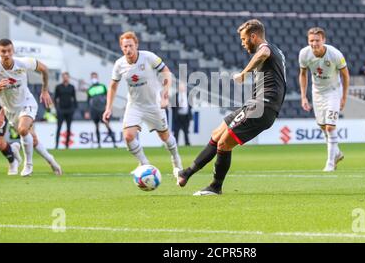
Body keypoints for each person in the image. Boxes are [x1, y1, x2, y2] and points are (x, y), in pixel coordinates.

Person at [177, 19, 287, 195]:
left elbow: (263, 53)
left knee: (224, 144)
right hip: (254, 105)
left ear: (254, 36)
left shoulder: (265, 48)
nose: (243, 44)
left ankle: (215, 187)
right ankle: (187, 173)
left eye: (244, 39)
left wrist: (244, 74)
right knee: (217, 134)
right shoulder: (277, 50)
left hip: (262, 107)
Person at [103, 31, 183, 176]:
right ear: (121, 48)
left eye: (131, 46)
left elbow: (166, 72)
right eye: (125, 46)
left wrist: (165, 93)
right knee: (128, 136)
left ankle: (176, 160)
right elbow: (113, 86)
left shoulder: (148, 57)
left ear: (136, 45)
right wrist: (108, 108)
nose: (128, 49)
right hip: (135, 105)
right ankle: (145, 164)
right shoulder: (119, 64)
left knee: (164, 137)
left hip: (154, 104)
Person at [0, 39, 62, 176]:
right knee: (33, 139)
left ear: (13, 50)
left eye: (9, 50)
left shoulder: (24, 62)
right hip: (10, 110)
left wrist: (44, 90)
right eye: (3, 51)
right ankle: (51, 161)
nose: (6, 54)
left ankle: (28, 165)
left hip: (27, 103)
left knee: (22, 129)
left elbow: (44, 69)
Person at [299, 27, 350, 172]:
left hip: (333, 91)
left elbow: (345, 75)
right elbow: (303, 74)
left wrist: (344, 97)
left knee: (330, 126)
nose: (314, 43)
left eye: (317, 40)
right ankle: (337, 153)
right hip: (317, 92)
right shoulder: (304, 53)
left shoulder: (335, 54)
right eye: (311, 40)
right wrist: (303, 96)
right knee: (322, 127)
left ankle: (330, 163)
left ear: (323, 40)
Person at [85, 72, 117, 148]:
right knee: (96, 126)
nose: (94, 79)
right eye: (92, 77)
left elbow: (108, 97)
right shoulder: (90, 89)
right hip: (94, 110)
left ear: (97, 77)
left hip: (102, 109)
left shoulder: (102, 86)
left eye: (95, 77)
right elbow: (88, 101)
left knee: (107, 125)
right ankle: (99, 144)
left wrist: (109, 107)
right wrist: (87, 111)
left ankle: (114, 143)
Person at [54, 72, 77, 149]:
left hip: (69, 110)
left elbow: (74, 98)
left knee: (69, 128)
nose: (65, 78)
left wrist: (74, 109)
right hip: (61, 110)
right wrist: (57, 109)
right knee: (59, 127)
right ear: (62, 78)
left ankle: (67, 145)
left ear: (68, 78)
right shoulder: (58, 87)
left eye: (67, 77)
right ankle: (56, 145)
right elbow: (55, 98)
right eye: (64, 77)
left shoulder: (72, 87)